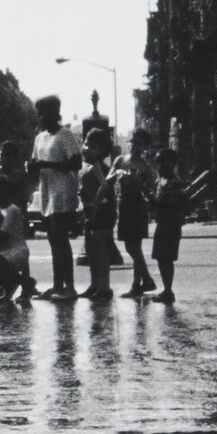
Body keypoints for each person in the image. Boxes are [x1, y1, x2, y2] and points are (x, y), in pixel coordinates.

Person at [27, 96, 83, 301]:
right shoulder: (39, 138)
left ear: (53, 113)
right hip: (46, 193)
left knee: (60, 239)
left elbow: (76, 162)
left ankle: (69, 286)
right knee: (52, 240)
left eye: (42, 113)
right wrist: (32, 167)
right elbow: (36, 161)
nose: (39, 117)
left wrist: (46, 165)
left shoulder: (65, 135)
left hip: (62, 194)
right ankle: (57, 285)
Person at [0, 140, 37, 299]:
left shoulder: (19, 175)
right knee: (0, 251)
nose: (4, 158)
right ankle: (4, 284)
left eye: (8, 155)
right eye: (1, 154)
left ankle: (26, 284)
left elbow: (24, 196)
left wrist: (23, 216)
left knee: (18, 249)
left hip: (15, 215)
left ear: (14, 158)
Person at [115, 128, 157, 298]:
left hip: (137, 206)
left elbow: (150, 189)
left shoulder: (145, 166)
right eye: (133, 142)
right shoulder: (120, 160)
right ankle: (145, 280)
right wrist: (118, 175)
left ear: (144, 147)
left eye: (139, 144)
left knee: (135, 247)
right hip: (124, 205)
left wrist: (138, 183)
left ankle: (137, 284)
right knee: (129, 246)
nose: (134, 146)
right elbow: (109, 178)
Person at [79, 128, 118, 300]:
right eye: (85, 143)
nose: (86, 148)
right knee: (91, 249)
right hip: (90, 210)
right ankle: (94, 284)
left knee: (101, 249)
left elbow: (104, 189)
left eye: (91, 146)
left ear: (101, 150)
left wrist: (94, 208)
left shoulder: (100, 168)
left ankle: (104, 286)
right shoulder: (86, 166)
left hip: (101, 211)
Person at [151, 147, 186, 304]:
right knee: (160, 257)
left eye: (160, 162)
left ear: (170, 164)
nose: (158, 166)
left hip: (170, 225)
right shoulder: (160, 181)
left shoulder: (175, 183)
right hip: (162, 223)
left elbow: (176, 205)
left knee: (167, 258)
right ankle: (166, 289)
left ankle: (168, 290)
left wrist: (157, 202)